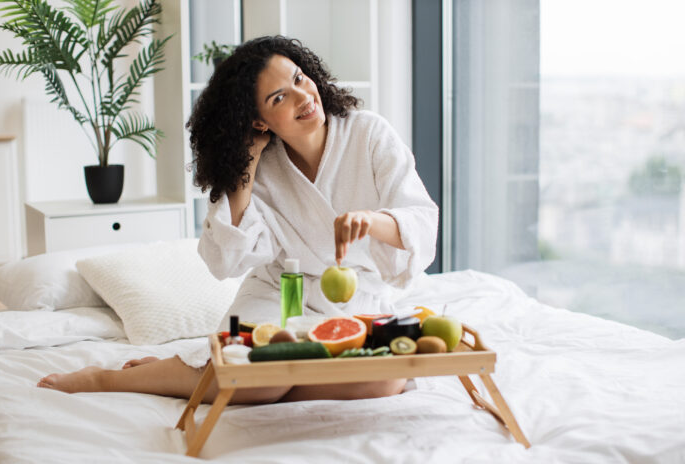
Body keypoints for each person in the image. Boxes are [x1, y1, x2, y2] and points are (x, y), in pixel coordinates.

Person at [37, 36, 439, 404]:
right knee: (262, 374)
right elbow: (223, 261)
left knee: (378, 383)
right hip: (280, 295)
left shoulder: (368, 133)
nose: (303, 97)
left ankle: (213, 379)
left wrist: (373, 220)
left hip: (355, 297)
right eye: (280, 97)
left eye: (300, 79)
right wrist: (246, 161)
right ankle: (107, 380)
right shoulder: (262, 164)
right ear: (259, 120)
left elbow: (420, 218)